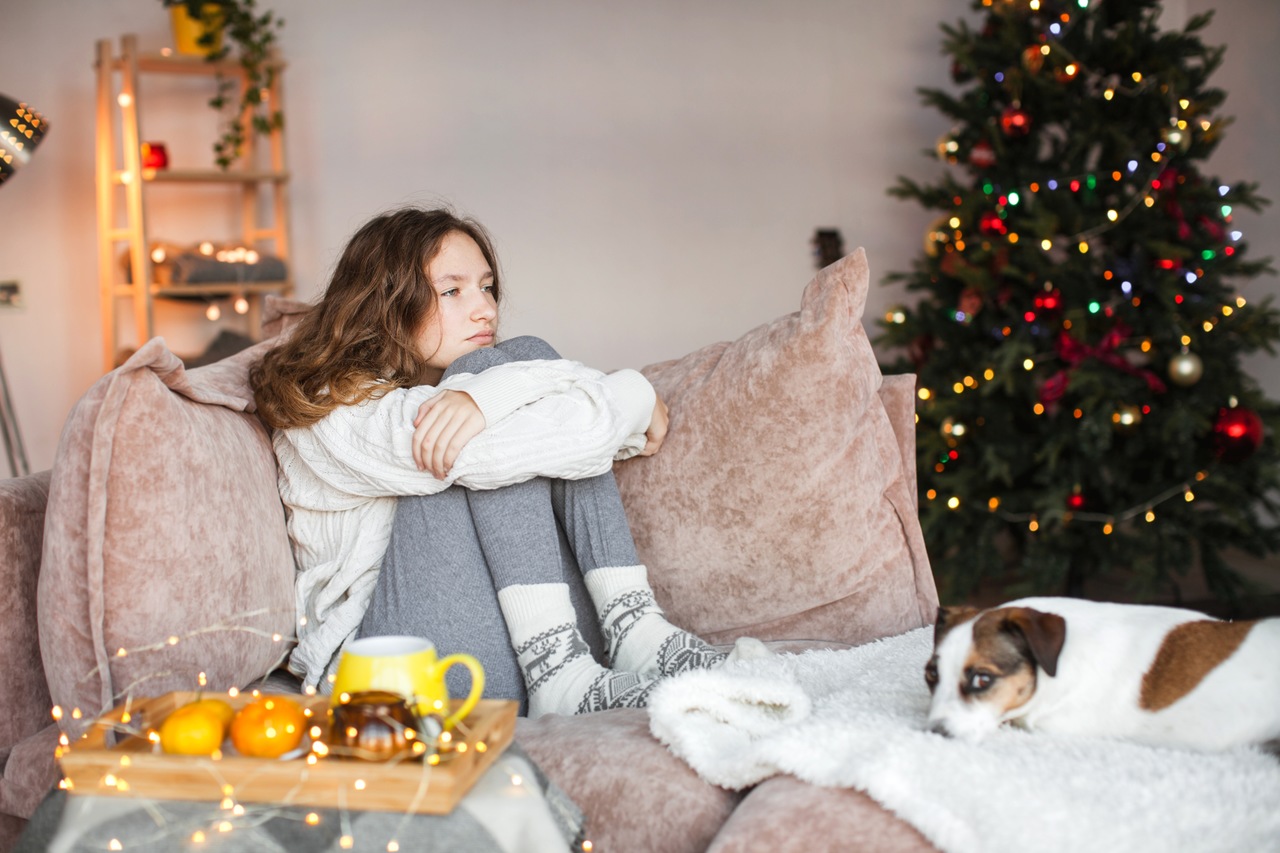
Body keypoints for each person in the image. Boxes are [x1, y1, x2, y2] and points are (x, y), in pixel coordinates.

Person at [251, 207, 759, 717]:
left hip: (501, 643)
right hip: (394, 670)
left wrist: (500, 393)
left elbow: (571, 439)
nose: (485, 310)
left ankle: (632, 628)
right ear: (384, 303)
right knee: (496, 396)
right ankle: (560, 670)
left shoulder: (444, 388)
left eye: (487, 287)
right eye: (452, 291)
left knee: (514, 366)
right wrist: (630, 391)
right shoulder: (330, 406)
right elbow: (542, 443)